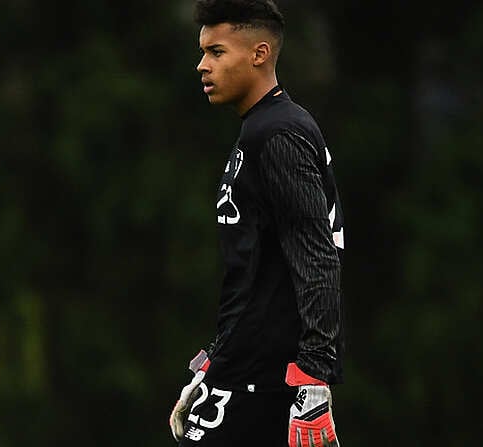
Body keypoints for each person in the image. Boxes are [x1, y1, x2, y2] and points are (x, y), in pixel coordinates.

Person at [168, 1, 345, 446]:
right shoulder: (259, 132)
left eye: (216, 52)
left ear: (259, 53)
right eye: (203, 52)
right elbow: (254, 271)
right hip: (241, 369)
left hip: (266, 380)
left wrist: (315, 377)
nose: (202, 65)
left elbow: (317, 254)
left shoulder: (277, 133)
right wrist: (214, 360)